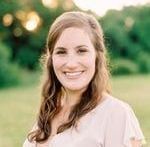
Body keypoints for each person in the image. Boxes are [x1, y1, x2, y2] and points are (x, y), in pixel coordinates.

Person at [23, 11, 146, 147]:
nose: (71, 64)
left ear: (97, 56)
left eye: (81, 51)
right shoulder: (48, 113)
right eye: (61, 52)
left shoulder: (115, 113)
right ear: (52, 59)